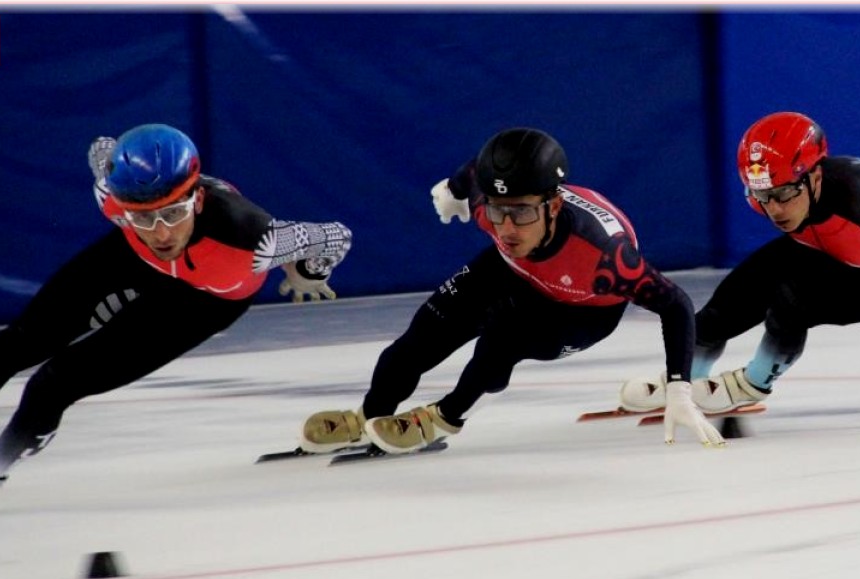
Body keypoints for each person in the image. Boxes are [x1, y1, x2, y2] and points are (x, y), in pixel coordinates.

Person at [0, 123, 352, 511]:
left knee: (57, 380)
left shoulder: (253, 236)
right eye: (141, 217)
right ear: (118, 206)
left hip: (204, 297)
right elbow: (101, 147)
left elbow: (337, 234)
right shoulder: (111, 191)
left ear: (196, 197)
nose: (161, 230)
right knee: (15, 344)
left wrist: (308, 270)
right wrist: (136, 229)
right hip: (131, 261)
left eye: (172, 212)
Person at [297, 127, 724, 456]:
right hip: (515, 271)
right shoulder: (491, 202)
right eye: (498, 212)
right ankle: (370, 413)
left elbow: (676, 304)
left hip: (580, 310)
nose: (506, 228)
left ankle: (445, 418)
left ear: (553, 206)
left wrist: (679, 388)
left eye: (520, 213)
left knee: (501, 339)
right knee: (420, 336)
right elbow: (472, 173)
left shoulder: (606, 257)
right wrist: (453, 191)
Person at [619, 111, 860, 414]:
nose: (774, 209)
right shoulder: (776, 190)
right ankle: (686, 373)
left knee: (793, 300)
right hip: (828, 246)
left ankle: (753, 384)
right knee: (739, 291)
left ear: (814, 176)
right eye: (762, 195)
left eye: (784, 193)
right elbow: (779, 204)